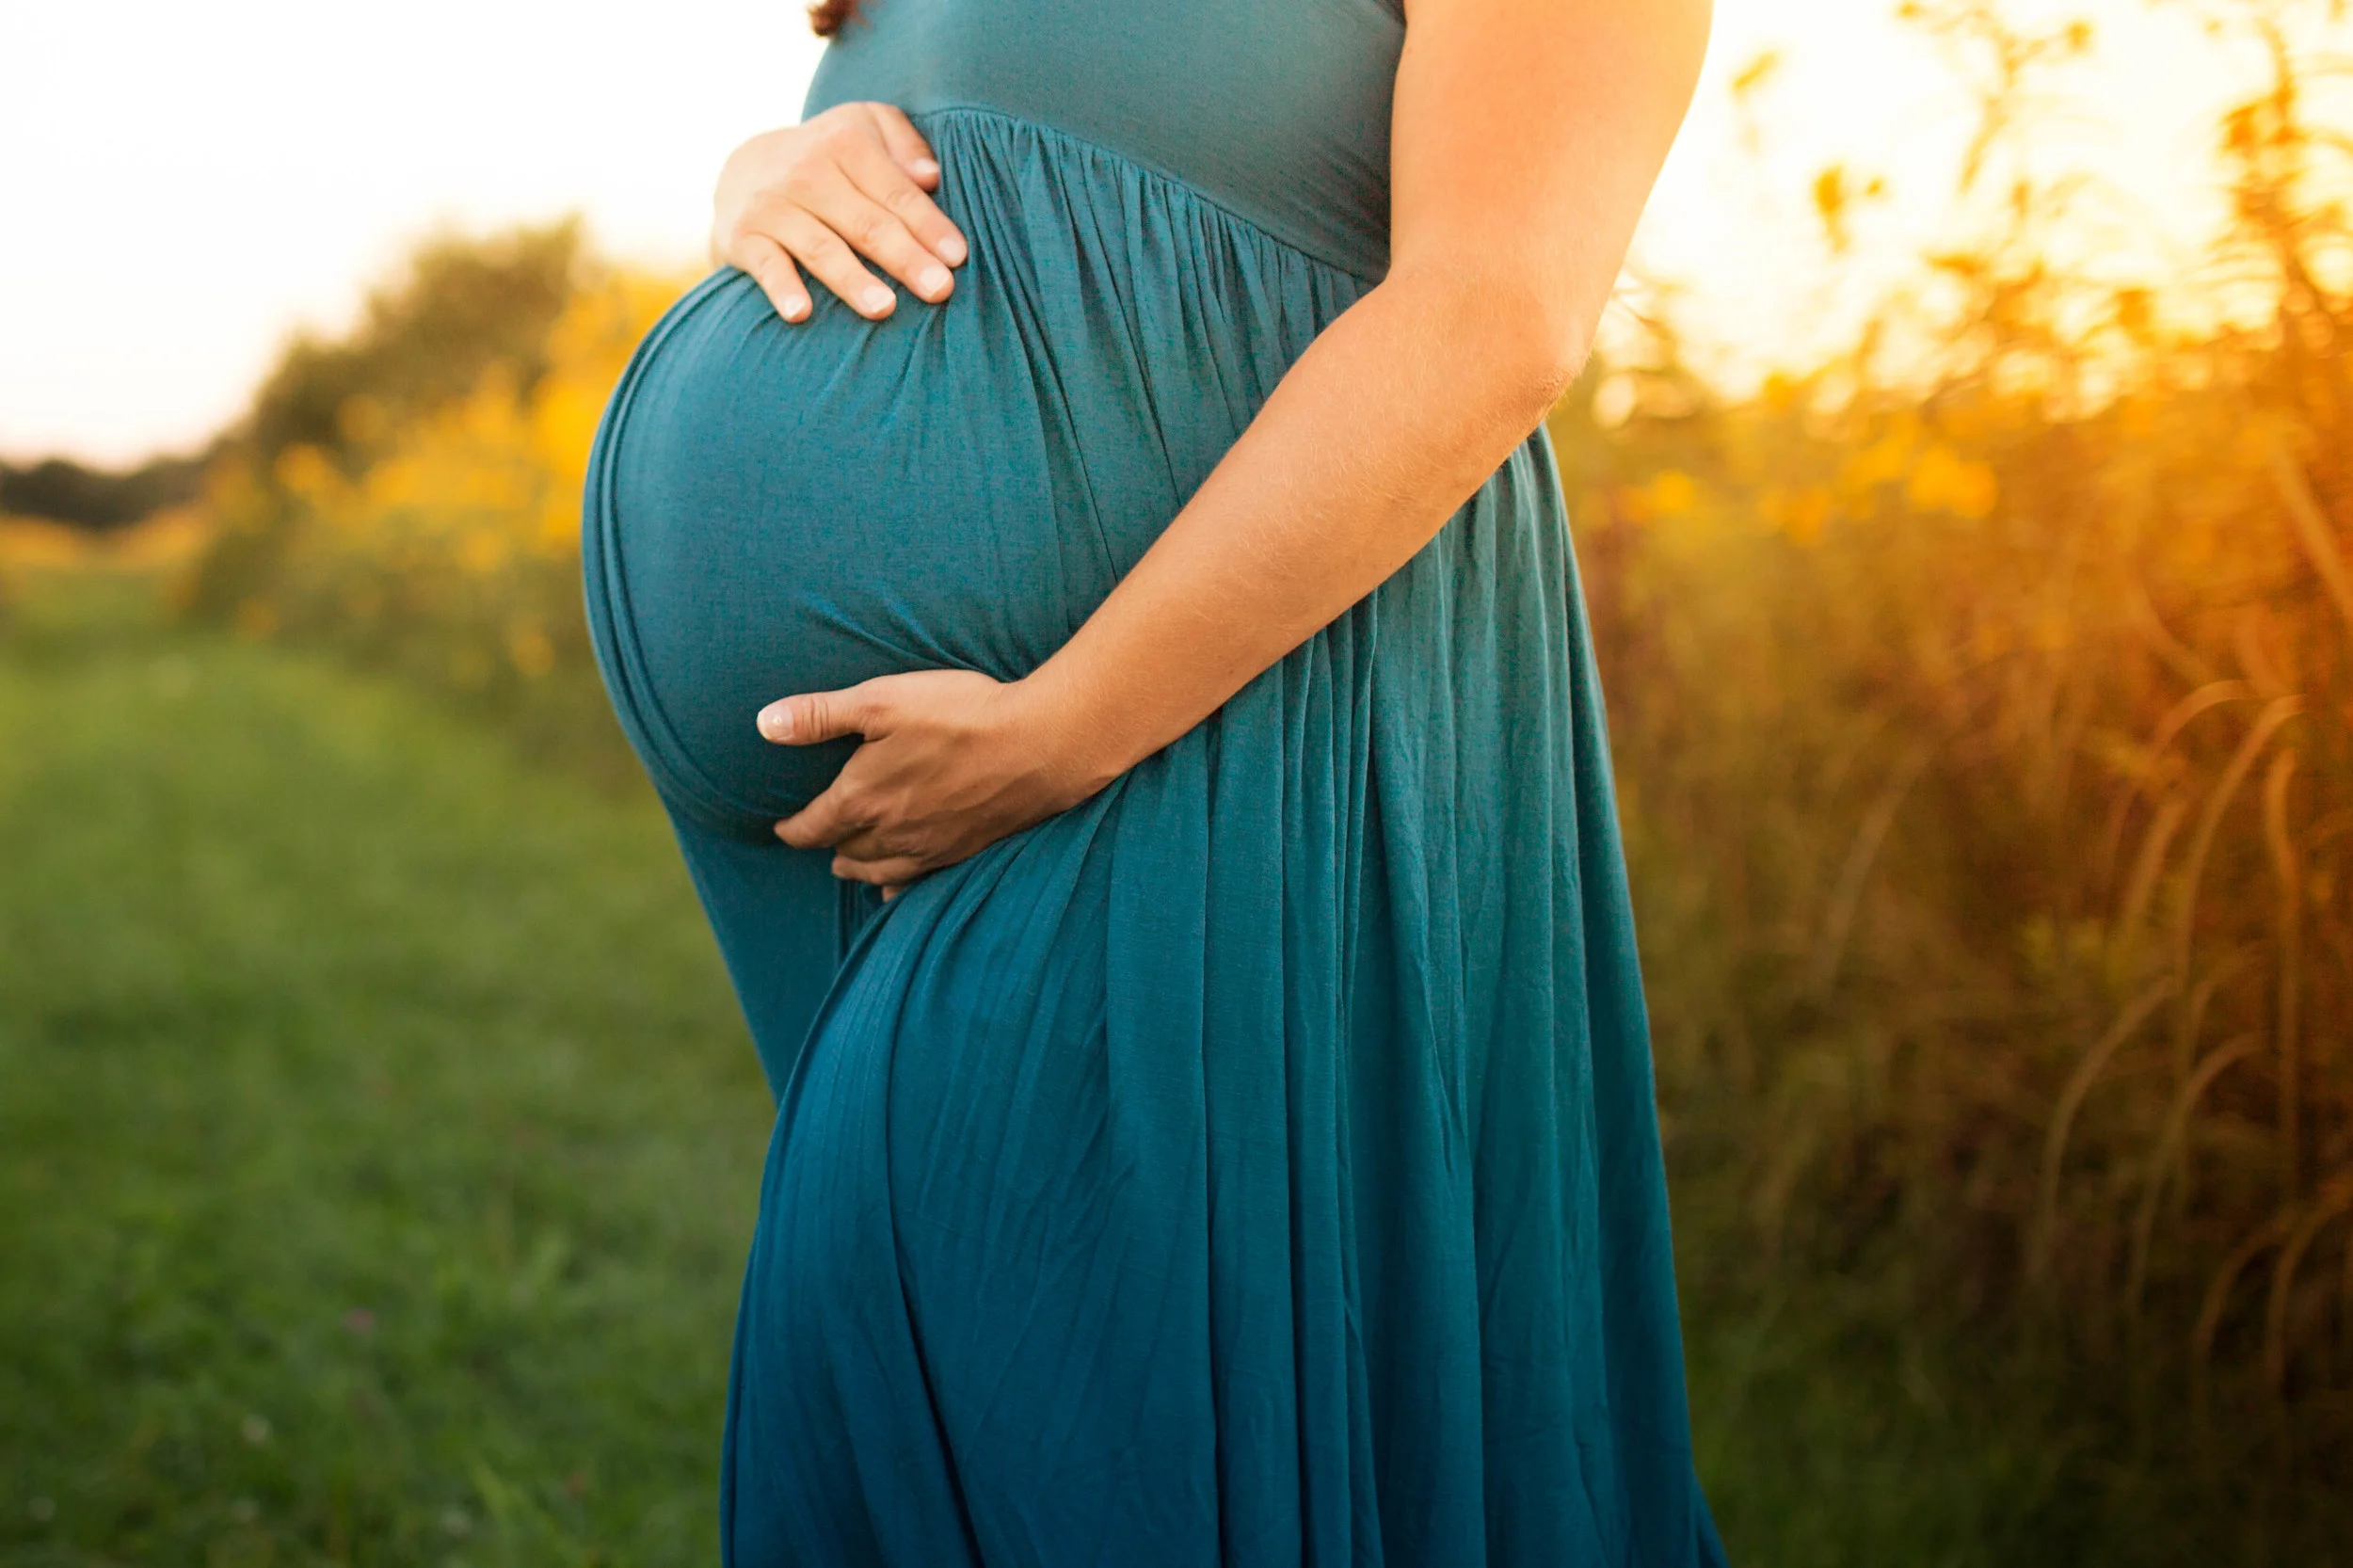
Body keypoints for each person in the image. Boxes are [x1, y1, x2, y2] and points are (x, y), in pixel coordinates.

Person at [581, 0, 1724, 1560]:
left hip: (1213, 717)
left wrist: (1065, 728)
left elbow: (1496, 310)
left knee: (1101, 1417)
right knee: (928, 1399)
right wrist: (763, 173)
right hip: (924, 804)